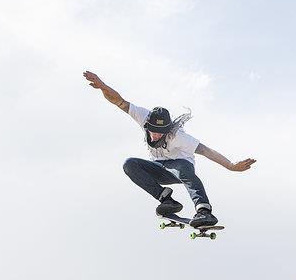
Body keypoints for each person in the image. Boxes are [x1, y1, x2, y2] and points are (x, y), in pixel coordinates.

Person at [83, 70, 256, 227]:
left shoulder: (178, 136)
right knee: (129, 164)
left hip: (181, 166)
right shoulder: (143, 117)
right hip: (159, 168)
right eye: (153, 131)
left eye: (160, 133)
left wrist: (231, 166)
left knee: (181, 169)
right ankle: (167, 200)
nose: (155, 136)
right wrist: (103, 86)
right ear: (148, 125)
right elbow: (119, 101)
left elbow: (205, 151)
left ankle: (204, 211)